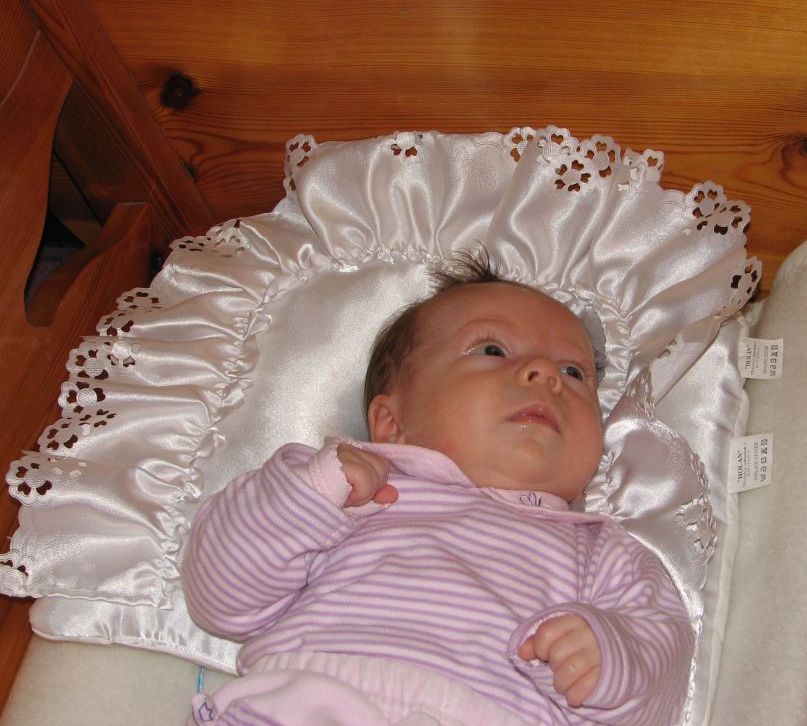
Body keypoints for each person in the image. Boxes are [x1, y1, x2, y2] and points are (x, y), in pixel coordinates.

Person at [182, 252, 693, 726]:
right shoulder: (352, 490)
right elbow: (221, 599)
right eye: (492, 349)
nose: (545, 375)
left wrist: (608, 657)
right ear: (392, 423)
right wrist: (310, 493)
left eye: (573, 371)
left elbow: (663, 683)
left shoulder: (604, 553)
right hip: (309, 699)